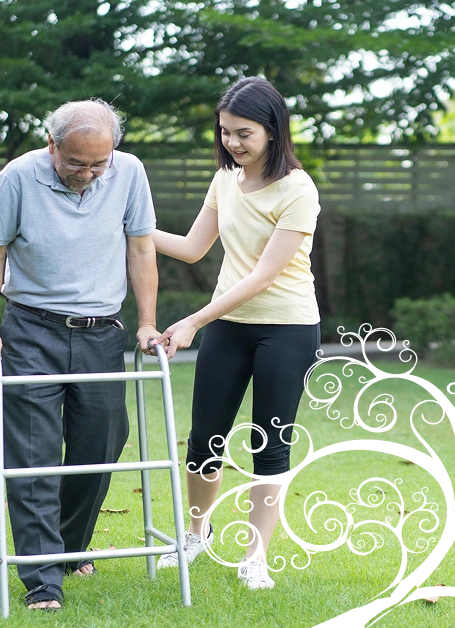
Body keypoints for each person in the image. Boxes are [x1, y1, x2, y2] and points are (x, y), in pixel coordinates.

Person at [0, 99, 159, 611]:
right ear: (51, 144)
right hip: (32, 329)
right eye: (76, 162)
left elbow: (141, 247)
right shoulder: (18, 177)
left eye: (99, 163)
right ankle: (42, 580)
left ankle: (69, 545)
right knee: (33, 453)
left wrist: (146, 322)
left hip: (101, 332)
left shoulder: (129, 173)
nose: (88, 174)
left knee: (103, 442)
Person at [150, 77, 321, 590]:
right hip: (229, 326)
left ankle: (255, 558)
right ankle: (197, 533)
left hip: (287, 328)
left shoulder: (298, 189)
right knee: (204, 440)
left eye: (243, 133)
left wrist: (193, 320)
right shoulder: (225, 178)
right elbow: (192, 247)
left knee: (270, 445)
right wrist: (129, 227)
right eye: (225, 132)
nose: (232, 142)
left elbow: (263, 276)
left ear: (273, 129)